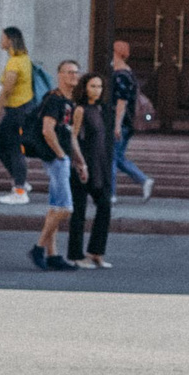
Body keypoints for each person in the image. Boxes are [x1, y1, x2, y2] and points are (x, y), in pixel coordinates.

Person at [26, 60, 85, 271]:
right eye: (68, 72)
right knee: (65, 208)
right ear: (59, 75)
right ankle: (38, 247)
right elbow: (47, 130)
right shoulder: (54, 100)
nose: (73, 76)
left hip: (63, 158)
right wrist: (61, 155)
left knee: (55, 208)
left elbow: (71, 136)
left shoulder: (71, 103)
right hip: (54, 158)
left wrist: (80, 162)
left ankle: (53, 255)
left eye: (76, 73)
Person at [68, 68, 117, 269]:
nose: (96, 90)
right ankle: (75, 255)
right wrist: (80, 163)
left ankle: (96, 252)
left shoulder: (103, 109)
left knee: (104, 206)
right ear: (85, 88)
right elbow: (73, 137)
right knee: (79, 211)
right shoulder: (79, 109)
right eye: (92, 86)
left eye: (99, 86)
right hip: (83, 165)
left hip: (101, 165)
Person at [0, 25, 37, 203]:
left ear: (10, 40)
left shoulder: (15, 62)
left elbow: (7, 89)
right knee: (1, 144)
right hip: (21, 110)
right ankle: (21, 182)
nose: (1, 41)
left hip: (18, 110)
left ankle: (19, 191)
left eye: (3, 38)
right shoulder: (24, 59)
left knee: (13, 147)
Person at [108, 39, 154, 200]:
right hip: (128, 122)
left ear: (118, 54)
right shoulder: (128, 73)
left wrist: (117, 125)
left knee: (111, 158)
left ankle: (111, 194)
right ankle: (144, 180)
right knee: (117, 157)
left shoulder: (120, 76)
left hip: (121, 122)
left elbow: (121, 102)